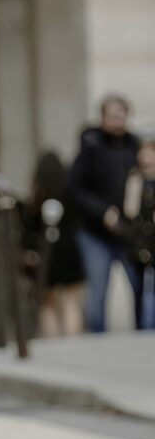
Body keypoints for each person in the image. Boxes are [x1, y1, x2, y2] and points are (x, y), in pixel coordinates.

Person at [67, 94, 142, 332]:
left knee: (140, 288)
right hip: (95, 233)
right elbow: (74, 188)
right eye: (113, 115)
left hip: (129, 233)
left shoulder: (135, 146)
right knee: (97, 296)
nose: (118, 119)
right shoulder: (91, 145)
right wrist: (102, 213)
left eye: (121, 114)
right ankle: (96, 345)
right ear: (102, 117)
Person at [20, 152, 85, 337]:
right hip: (69, 252)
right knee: (71, 302)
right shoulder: (69, 194)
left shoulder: (37, 198)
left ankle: (54, 346)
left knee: (47, 305)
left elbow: (29, 229)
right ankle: (73, 345)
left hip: (46, 255)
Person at [122, 141, 155, 329]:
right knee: (138, 289)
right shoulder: (136, 180)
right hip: (139, 242)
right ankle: (140, 328)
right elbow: (130, 210)